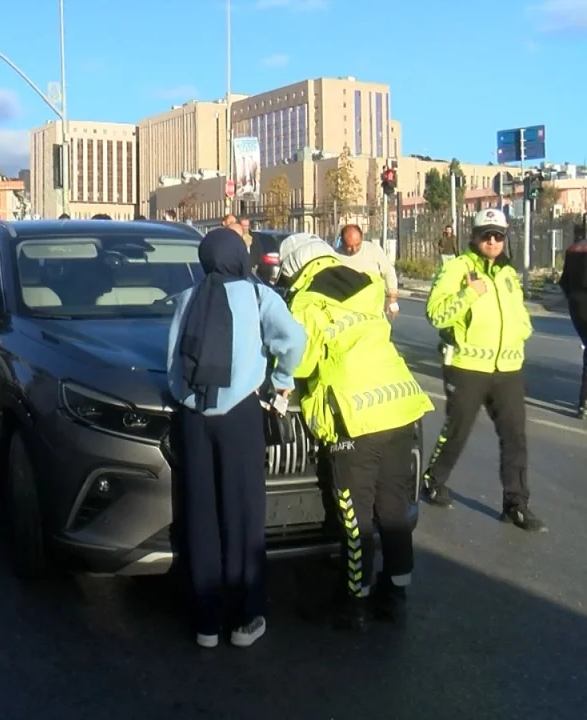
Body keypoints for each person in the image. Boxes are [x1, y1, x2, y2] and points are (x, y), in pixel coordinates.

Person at [277, 233, 433, 628]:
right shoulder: (367, 286)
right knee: (394, 510)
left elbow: (302, 364)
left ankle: (353, 601)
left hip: (356, 420)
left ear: (294, 268)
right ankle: (394, 595)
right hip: (401, 407)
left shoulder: (306, 302)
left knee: (355, 517)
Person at [166, 228, 306, 649]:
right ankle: (244, 619)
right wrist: (280, 381)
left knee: (201, 514)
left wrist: (189, 398)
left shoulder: (188, 298)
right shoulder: (259, 295)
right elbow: (294, 340)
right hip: (240, 414)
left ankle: (206, 623)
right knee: (241, 514)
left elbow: (172, 359)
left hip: (192, 416)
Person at [422, 208, 545, 531]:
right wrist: (468, 294)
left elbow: (517, 313)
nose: (492, 241)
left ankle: (516, 504)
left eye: (498, 235)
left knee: (515, 437)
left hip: (508, 368)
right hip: (467, 366)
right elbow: (435, 314)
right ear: (473, 237)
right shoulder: (457, 268)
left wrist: (523, 330)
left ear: (505, 239)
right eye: (485, 235)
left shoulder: (507, 273)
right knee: (458, 431)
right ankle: (434, 480)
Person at [335, 224, 399, 319]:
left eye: (357, 244)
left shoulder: (373, 250)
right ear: (342, 242)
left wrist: (392, 299)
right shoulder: (336, 256)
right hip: (348, 312)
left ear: (362, 238)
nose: (354, 249)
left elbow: (388, 272)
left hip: (373, 310)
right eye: (349, 246)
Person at [557, 217, 587, 420]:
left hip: (577, 305)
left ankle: (583, 403)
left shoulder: (572, 249)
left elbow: (564, 282)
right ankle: (583, 402)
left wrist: (573, 298)